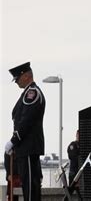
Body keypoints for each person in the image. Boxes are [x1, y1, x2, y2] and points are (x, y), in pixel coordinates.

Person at [4, 62, 45, 201]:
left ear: (27, 76)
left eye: (17, 78)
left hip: (29, 147)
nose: (16, 82)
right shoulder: (27, 93)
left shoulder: (32, 93)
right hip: (25, 148)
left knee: (31, 187)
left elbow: (26, 120)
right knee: (28, 186)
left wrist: (13, 140)